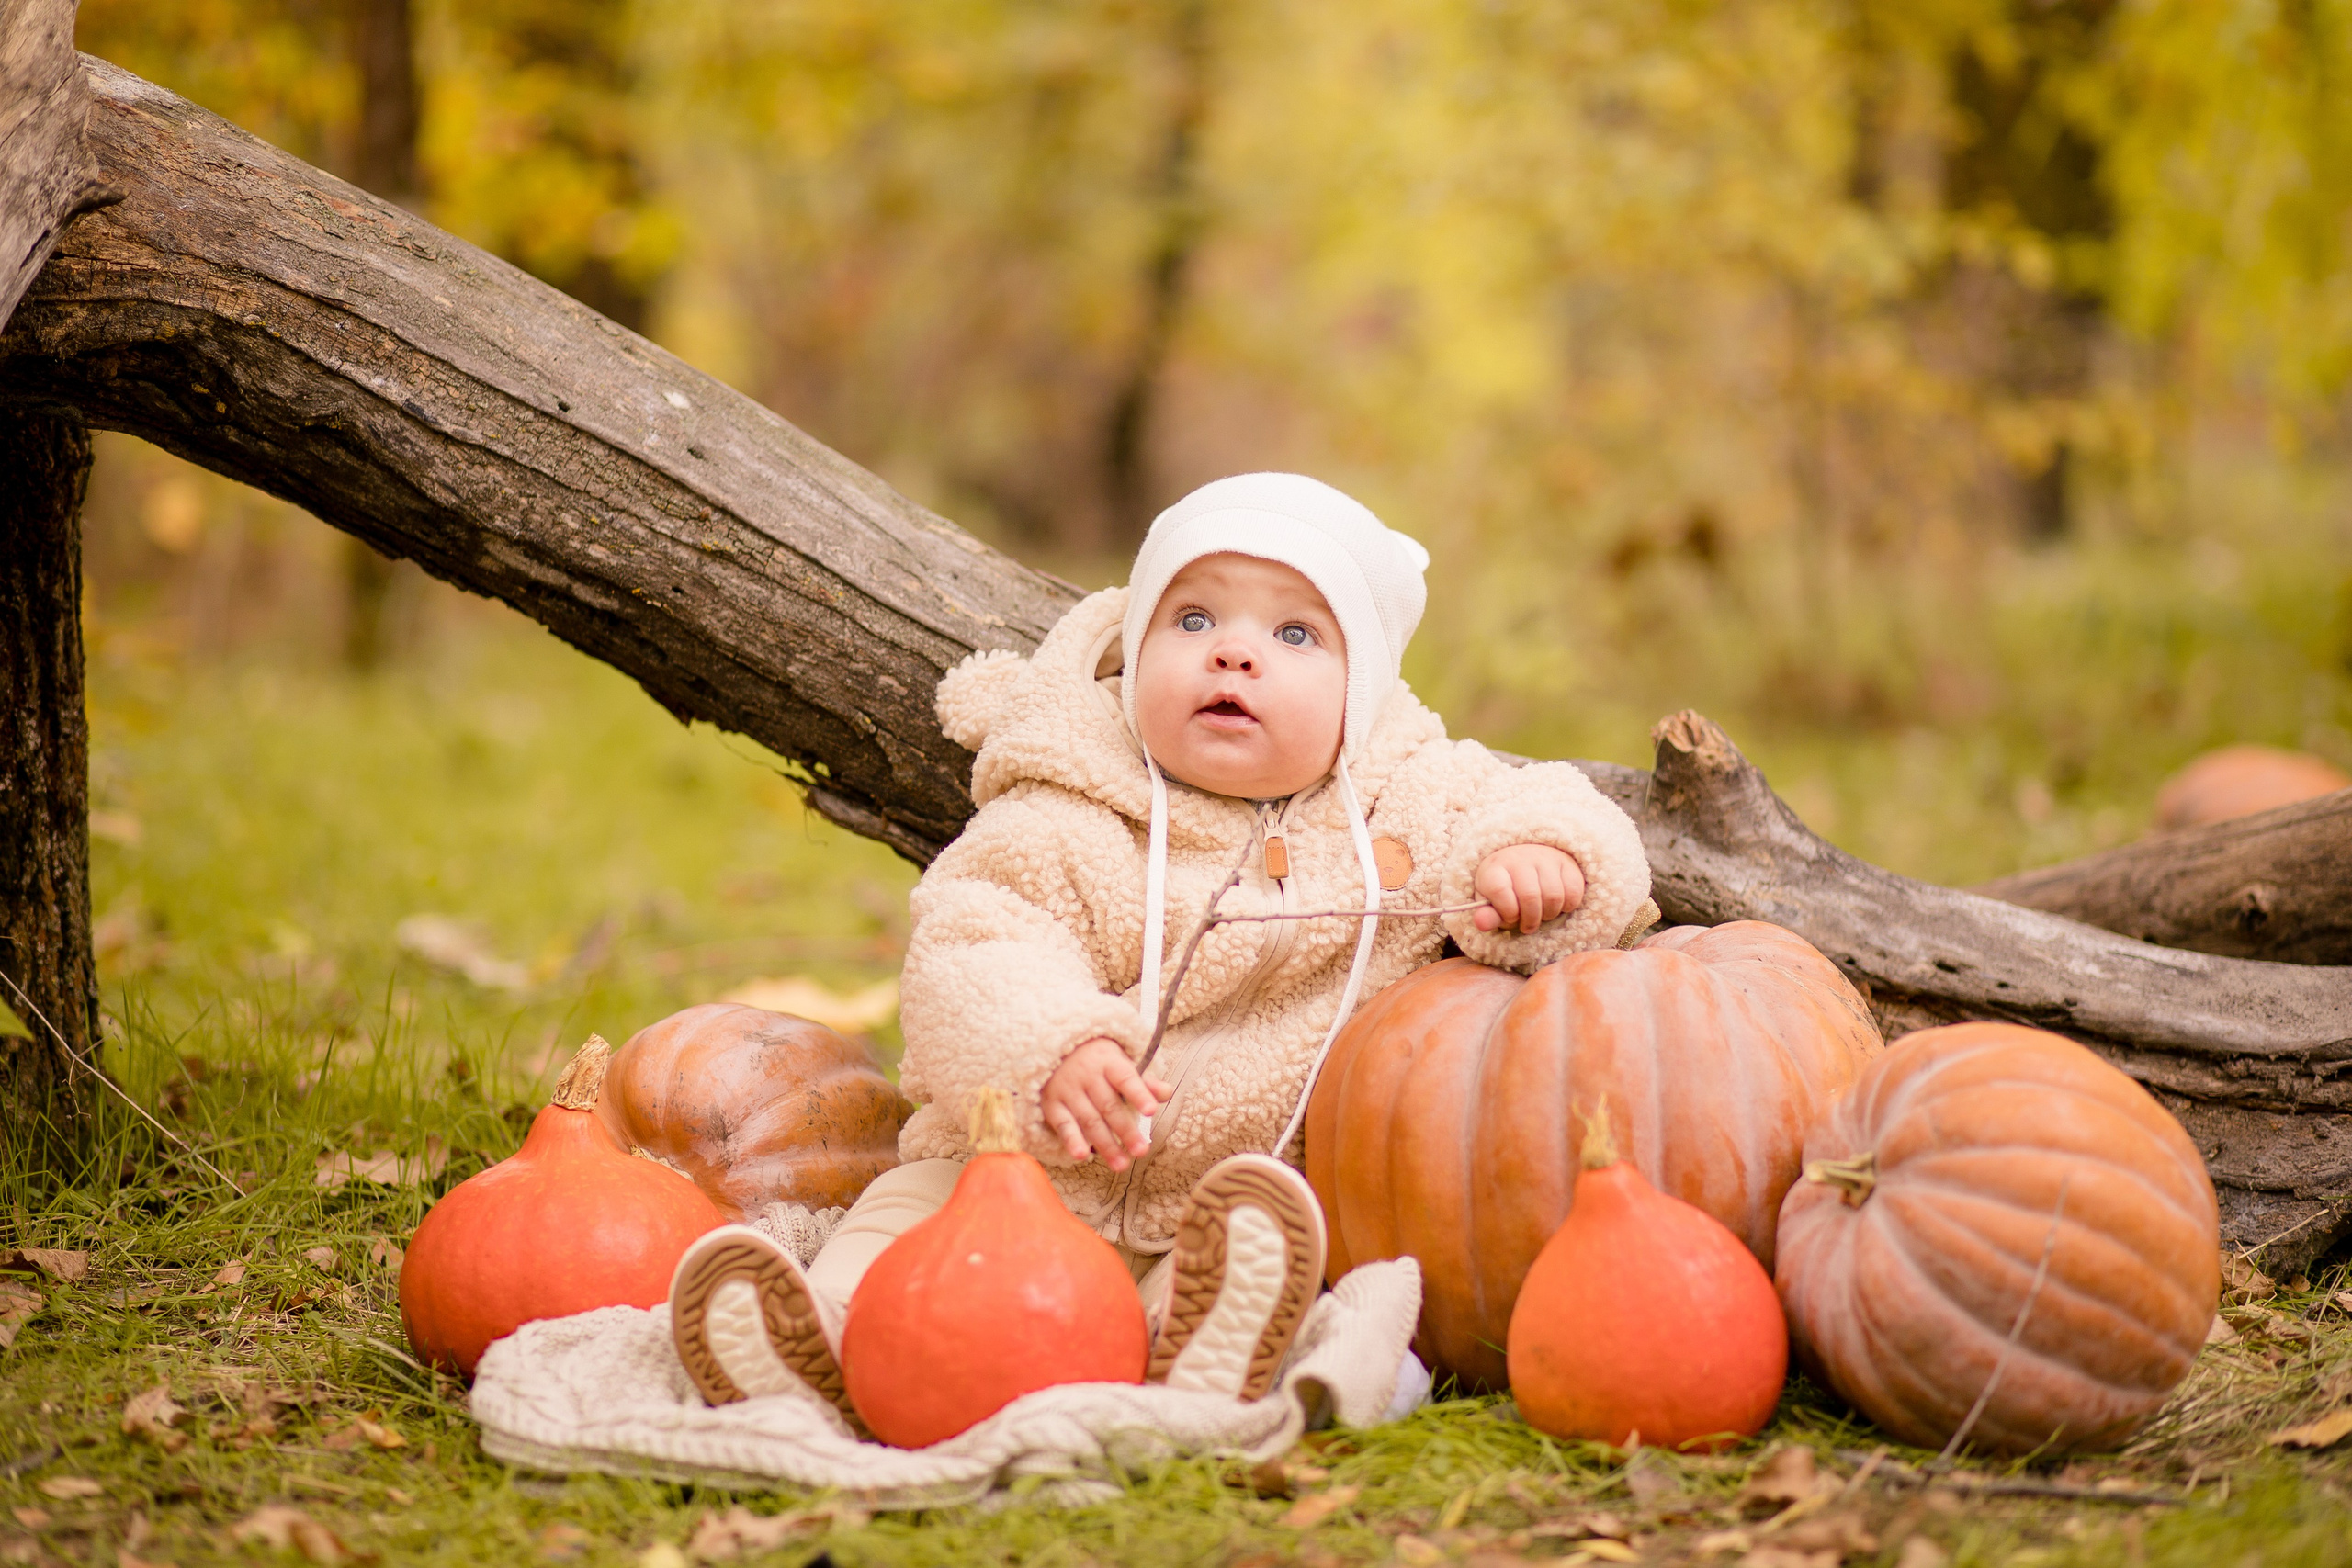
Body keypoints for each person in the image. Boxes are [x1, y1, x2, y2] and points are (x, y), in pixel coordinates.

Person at [666, 473, 1655, 1431]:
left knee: (1260, 1257)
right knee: (894, 1226)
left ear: (1367, 690)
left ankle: (1195, 1356)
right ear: (1135, 652)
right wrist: (1054, 1046)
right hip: (1014, 1171)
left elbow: (1551, 800)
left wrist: (1541, 856)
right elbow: (975, 940)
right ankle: (822, 1343)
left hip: (1235, 1188)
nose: (1232, 654)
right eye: (1192, 621)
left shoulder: (1413, 795)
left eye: (1295, 634)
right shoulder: (1071, 803)